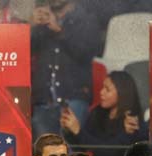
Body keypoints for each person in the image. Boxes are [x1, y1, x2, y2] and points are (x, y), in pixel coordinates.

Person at [62, 71, 149, 156]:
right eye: (102, 87)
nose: (101, 92)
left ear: (122, 93)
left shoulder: (131, 120)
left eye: (107, 89)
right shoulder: (98, 113)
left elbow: (109, 151)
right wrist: (69, 131)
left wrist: (78, 131)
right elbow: (83, 147)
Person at [30, 0, 100, 138]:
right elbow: (24, 51)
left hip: (73, 101)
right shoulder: (43, 19)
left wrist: (60, 31)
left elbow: (85, 52)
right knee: (45, 155)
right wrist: (31, 26)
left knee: (70, 155)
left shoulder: (86, 19)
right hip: (43, 102)